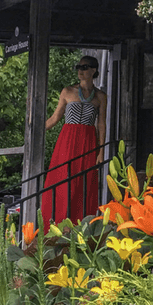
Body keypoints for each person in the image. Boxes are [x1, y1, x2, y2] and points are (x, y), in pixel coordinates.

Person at [41, 55, 108, 230]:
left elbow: (101, 124)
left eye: (84, 67)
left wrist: (100, 152)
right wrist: (36, 131)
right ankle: (55, 226)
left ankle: (81, 228)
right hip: (67, 140)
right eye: (78, 67)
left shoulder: (100, 96)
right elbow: (55, 118)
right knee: (62, 180)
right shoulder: (68, 91)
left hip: (88, 142)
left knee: (84, 184)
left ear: (93, 70)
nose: (80, 70)